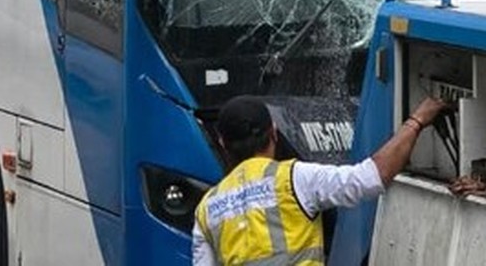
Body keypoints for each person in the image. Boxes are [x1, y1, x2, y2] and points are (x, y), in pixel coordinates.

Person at [192, 94, 449, 265]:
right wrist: (417, 121)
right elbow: (373, 176)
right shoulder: (295, 178)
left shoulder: (207, 208)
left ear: (223, 143)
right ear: (274, 132)